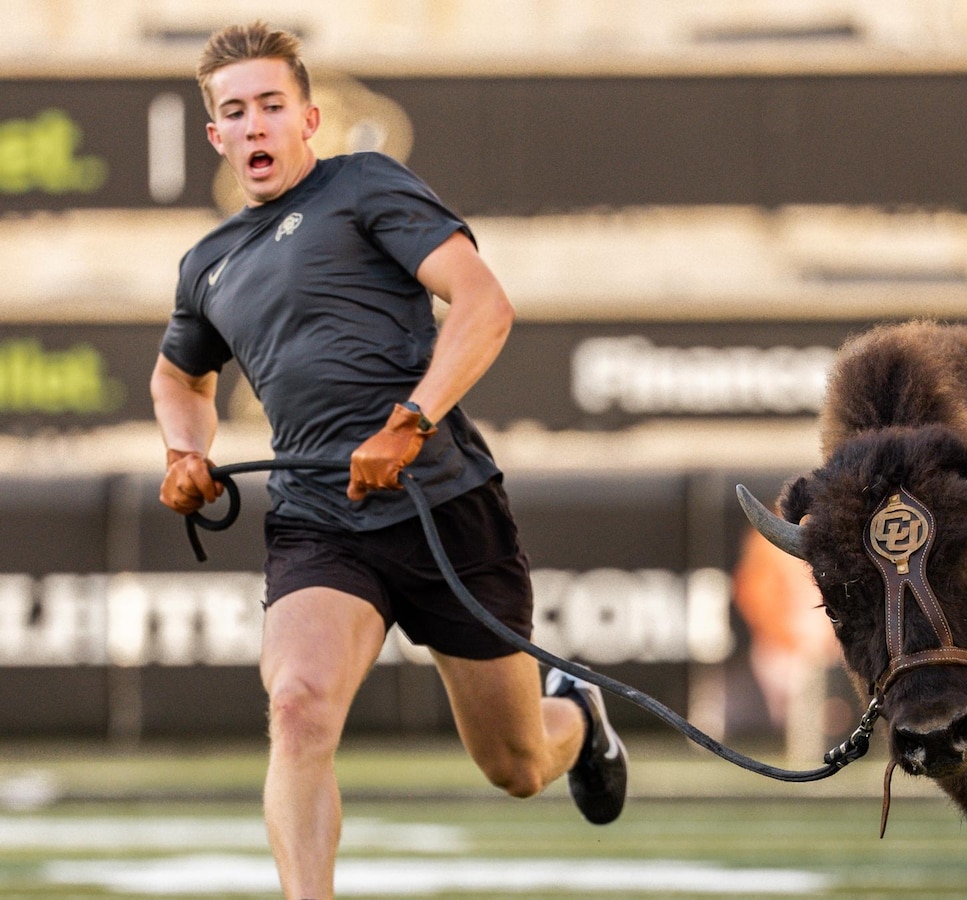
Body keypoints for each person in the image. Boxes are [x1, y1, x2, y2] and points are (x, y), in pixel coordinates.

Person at [150, 22, 627, 900]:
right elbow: (179, 377)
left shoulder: (364, 184)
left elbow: (483, 304)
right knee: (297, 707)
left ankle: (579, 715)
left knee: (518, 765)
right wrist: (186, 451)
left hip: (443, 502)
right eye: (235, 113)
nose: (255, 125)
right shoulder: (207, 264)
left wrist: (410, 422)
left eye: (270, 105)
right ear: (216, 136)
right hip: (319, 520)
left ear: (308, 119)